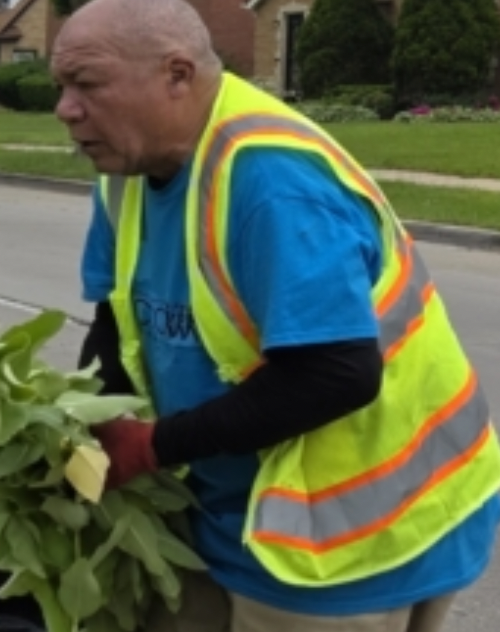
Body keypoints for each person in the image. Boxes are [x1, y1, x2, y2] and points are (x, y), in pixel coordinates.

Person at [52, 0, 500, 630]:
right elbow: (115, 323)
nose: (66, 109)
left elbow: (336, 373)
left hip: (354, 539)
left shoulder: (271, 181)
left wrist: (153, 446)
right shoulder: (128, 164)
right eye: (62, 87)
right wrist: (83, 431)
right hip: (222, 515)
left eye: (87, 85)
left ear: (177, 75)